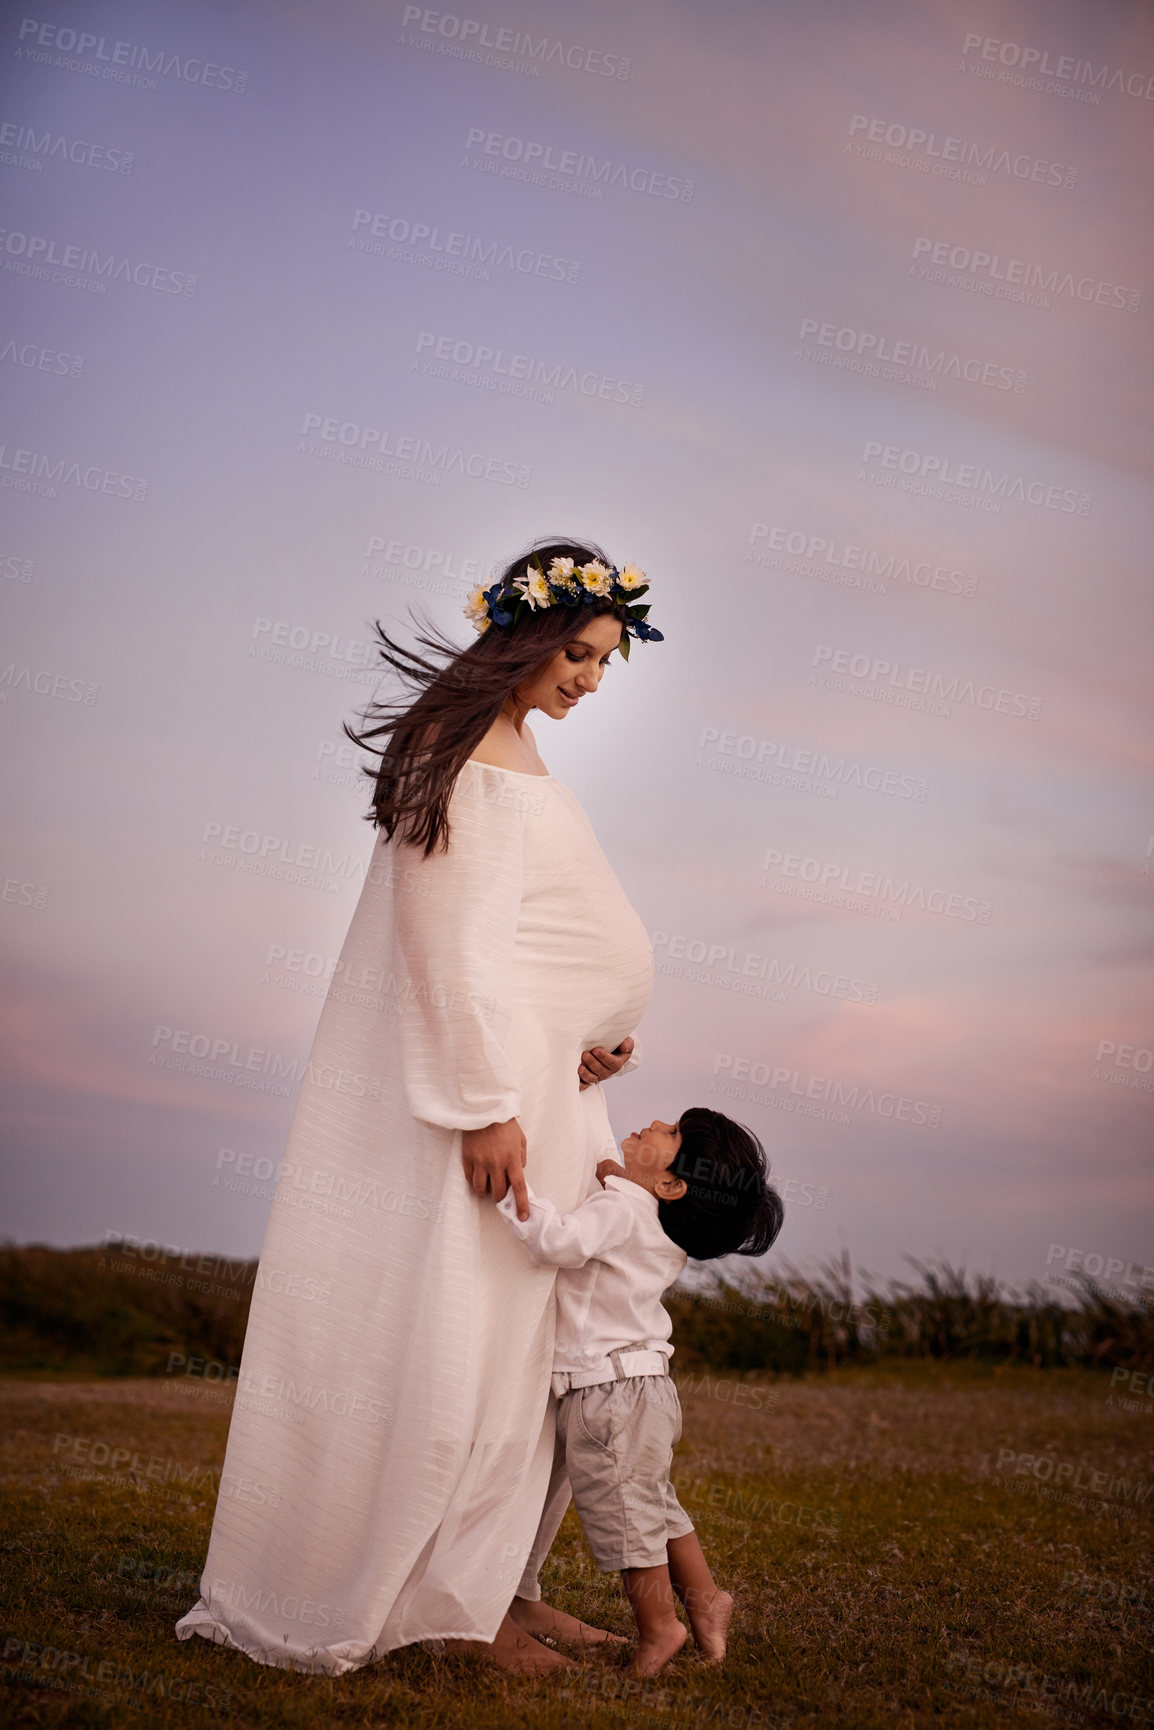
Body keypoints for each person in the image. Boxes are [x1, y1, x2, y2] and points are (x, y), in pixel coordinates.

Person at [175, 540, 665, 1675]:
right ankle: (450, 1598)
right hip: (496, 1100)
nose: (590, 679)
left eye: (605, 661)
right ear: (525, 635)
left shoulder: (513, 748)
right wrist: (488, 1104)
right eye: (579, 653)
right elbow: (447, 951)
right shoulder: (467, 753)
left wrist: (593, 1033)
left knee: (532, 1343)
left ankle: (503, 1579)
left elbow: (534, 935)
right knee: (475, 1336)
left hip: (550, 1077)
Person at [497, 1107, 784, 1675]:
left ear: (672, 1184)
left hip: (606, 1392)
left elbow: (556, 1242)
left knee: (628, 1517)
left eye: (672, 1133)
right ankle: (706, 1600)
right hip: (646, 1386)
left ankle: (660, 1629)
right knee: (651, 1501)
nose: (656, 1122)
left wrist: (515, 1191)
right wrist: (616, 1175)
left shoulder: (623, 1208)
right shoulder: (653, 1218)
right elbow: (624, 1204)